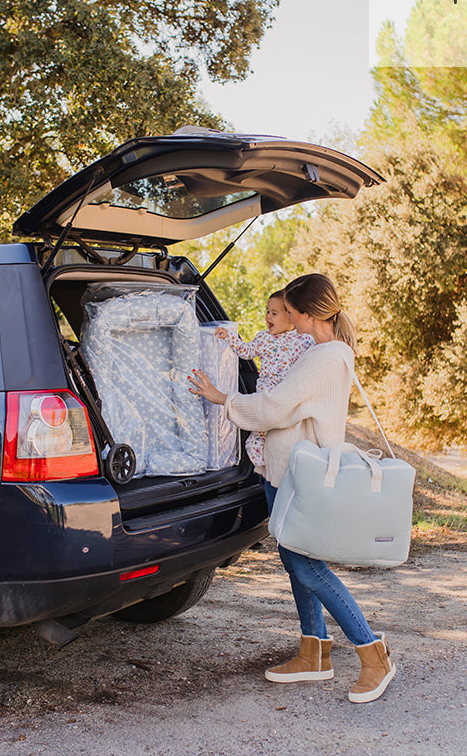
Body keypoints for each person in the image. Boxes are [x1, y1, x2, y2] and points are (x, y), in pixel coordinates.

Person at [188, 273, 395, 704]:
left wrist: (222, 398)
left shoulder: (324, 358)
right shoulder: (322, 350)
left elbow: (274, 408)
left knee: (308, 567)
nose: (289, 320)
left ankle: (374, 655)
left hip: (302, 480)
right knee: (293, 560)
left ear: (306, 314)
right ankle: (313, 653)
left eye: (293, 312)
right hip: (282, 473)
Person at [213, 289, 314, 474]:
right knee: (256, 441)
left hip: (289, 400)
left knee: (289, 436)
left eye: (274, 313)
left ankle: (286, 467)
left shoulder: (305, 340)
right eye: (267, 311)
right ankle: (264, 470)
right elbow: (245, 352)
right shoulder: (263, 338)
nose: (268, 316)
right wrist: (229, 337)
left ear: (291, 316)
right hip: (265, 399)